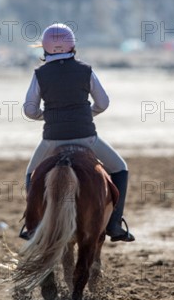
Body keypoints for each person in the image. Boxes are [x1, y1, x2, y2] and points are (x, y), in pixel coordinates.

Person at [21, 23, 135, 242]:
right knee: (121, 168)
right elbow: (103, 103)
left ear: (44, 48)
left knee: (30, 174)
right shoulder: (85, 70)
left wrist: (50, 115)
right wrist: (86, 114)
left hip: (52, 140)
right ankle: (114, 224)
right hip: (87, 138)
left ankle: (31, 225)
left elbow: (29, 110)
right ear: (72, 46)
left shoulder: (40, 74)